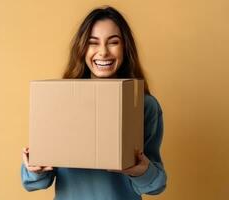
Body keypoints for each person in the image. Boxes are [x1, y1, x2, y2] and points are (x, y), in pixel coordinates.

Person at [21, 6, 167, 200]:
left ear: (125, 48)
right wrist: (35, 168)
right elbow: (36, 183)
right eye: (93, 43)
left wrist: (140, 170)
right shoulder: (59, 99)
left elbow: (156, 185)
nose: (103, 52)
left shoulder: (143, 106)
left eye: (113, 42)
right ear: (82, 49)